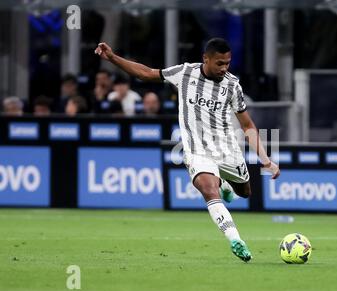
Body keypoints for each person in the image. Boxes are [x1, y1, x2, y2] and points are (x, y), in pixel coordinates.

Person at [95, 38, 280, 262]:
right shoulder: (185, 73)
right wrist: (113, 58)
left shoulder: (232, 85)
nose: (224, 68)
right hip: (196, 150)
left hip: (227, 149)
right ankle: (235, 240)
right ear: (206, 59)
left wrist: (266, 159)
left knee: (245, 192)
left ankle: (226, 186)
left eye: (228, 63)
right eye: (219, 63)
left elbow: (247, 125)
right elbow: (146, 74)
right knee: (207, 188)